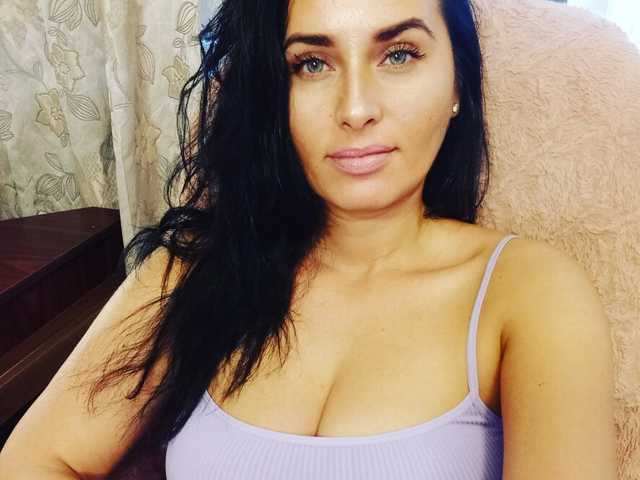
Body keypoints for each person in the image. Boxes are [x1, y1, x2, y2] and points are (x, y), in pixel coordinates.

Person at [0, 0, 618, 478]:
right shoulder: (194, 269)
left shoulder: (529, 291)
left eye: (399, 54)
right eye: (312, 63)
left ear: (457, 83)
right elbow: (33, 461)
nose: (356, 108)